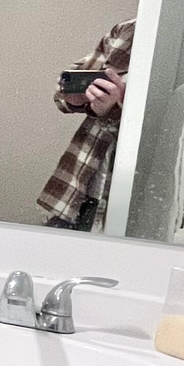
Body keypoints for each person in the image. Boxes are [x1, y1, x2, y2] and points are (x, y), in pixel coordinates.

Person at [39, 19, 134, 230]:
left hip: (130, 193)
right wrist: (78, 100)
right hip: (80, 183)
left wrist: (116, 108)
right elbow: (66, 86)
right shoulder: (129, 31)